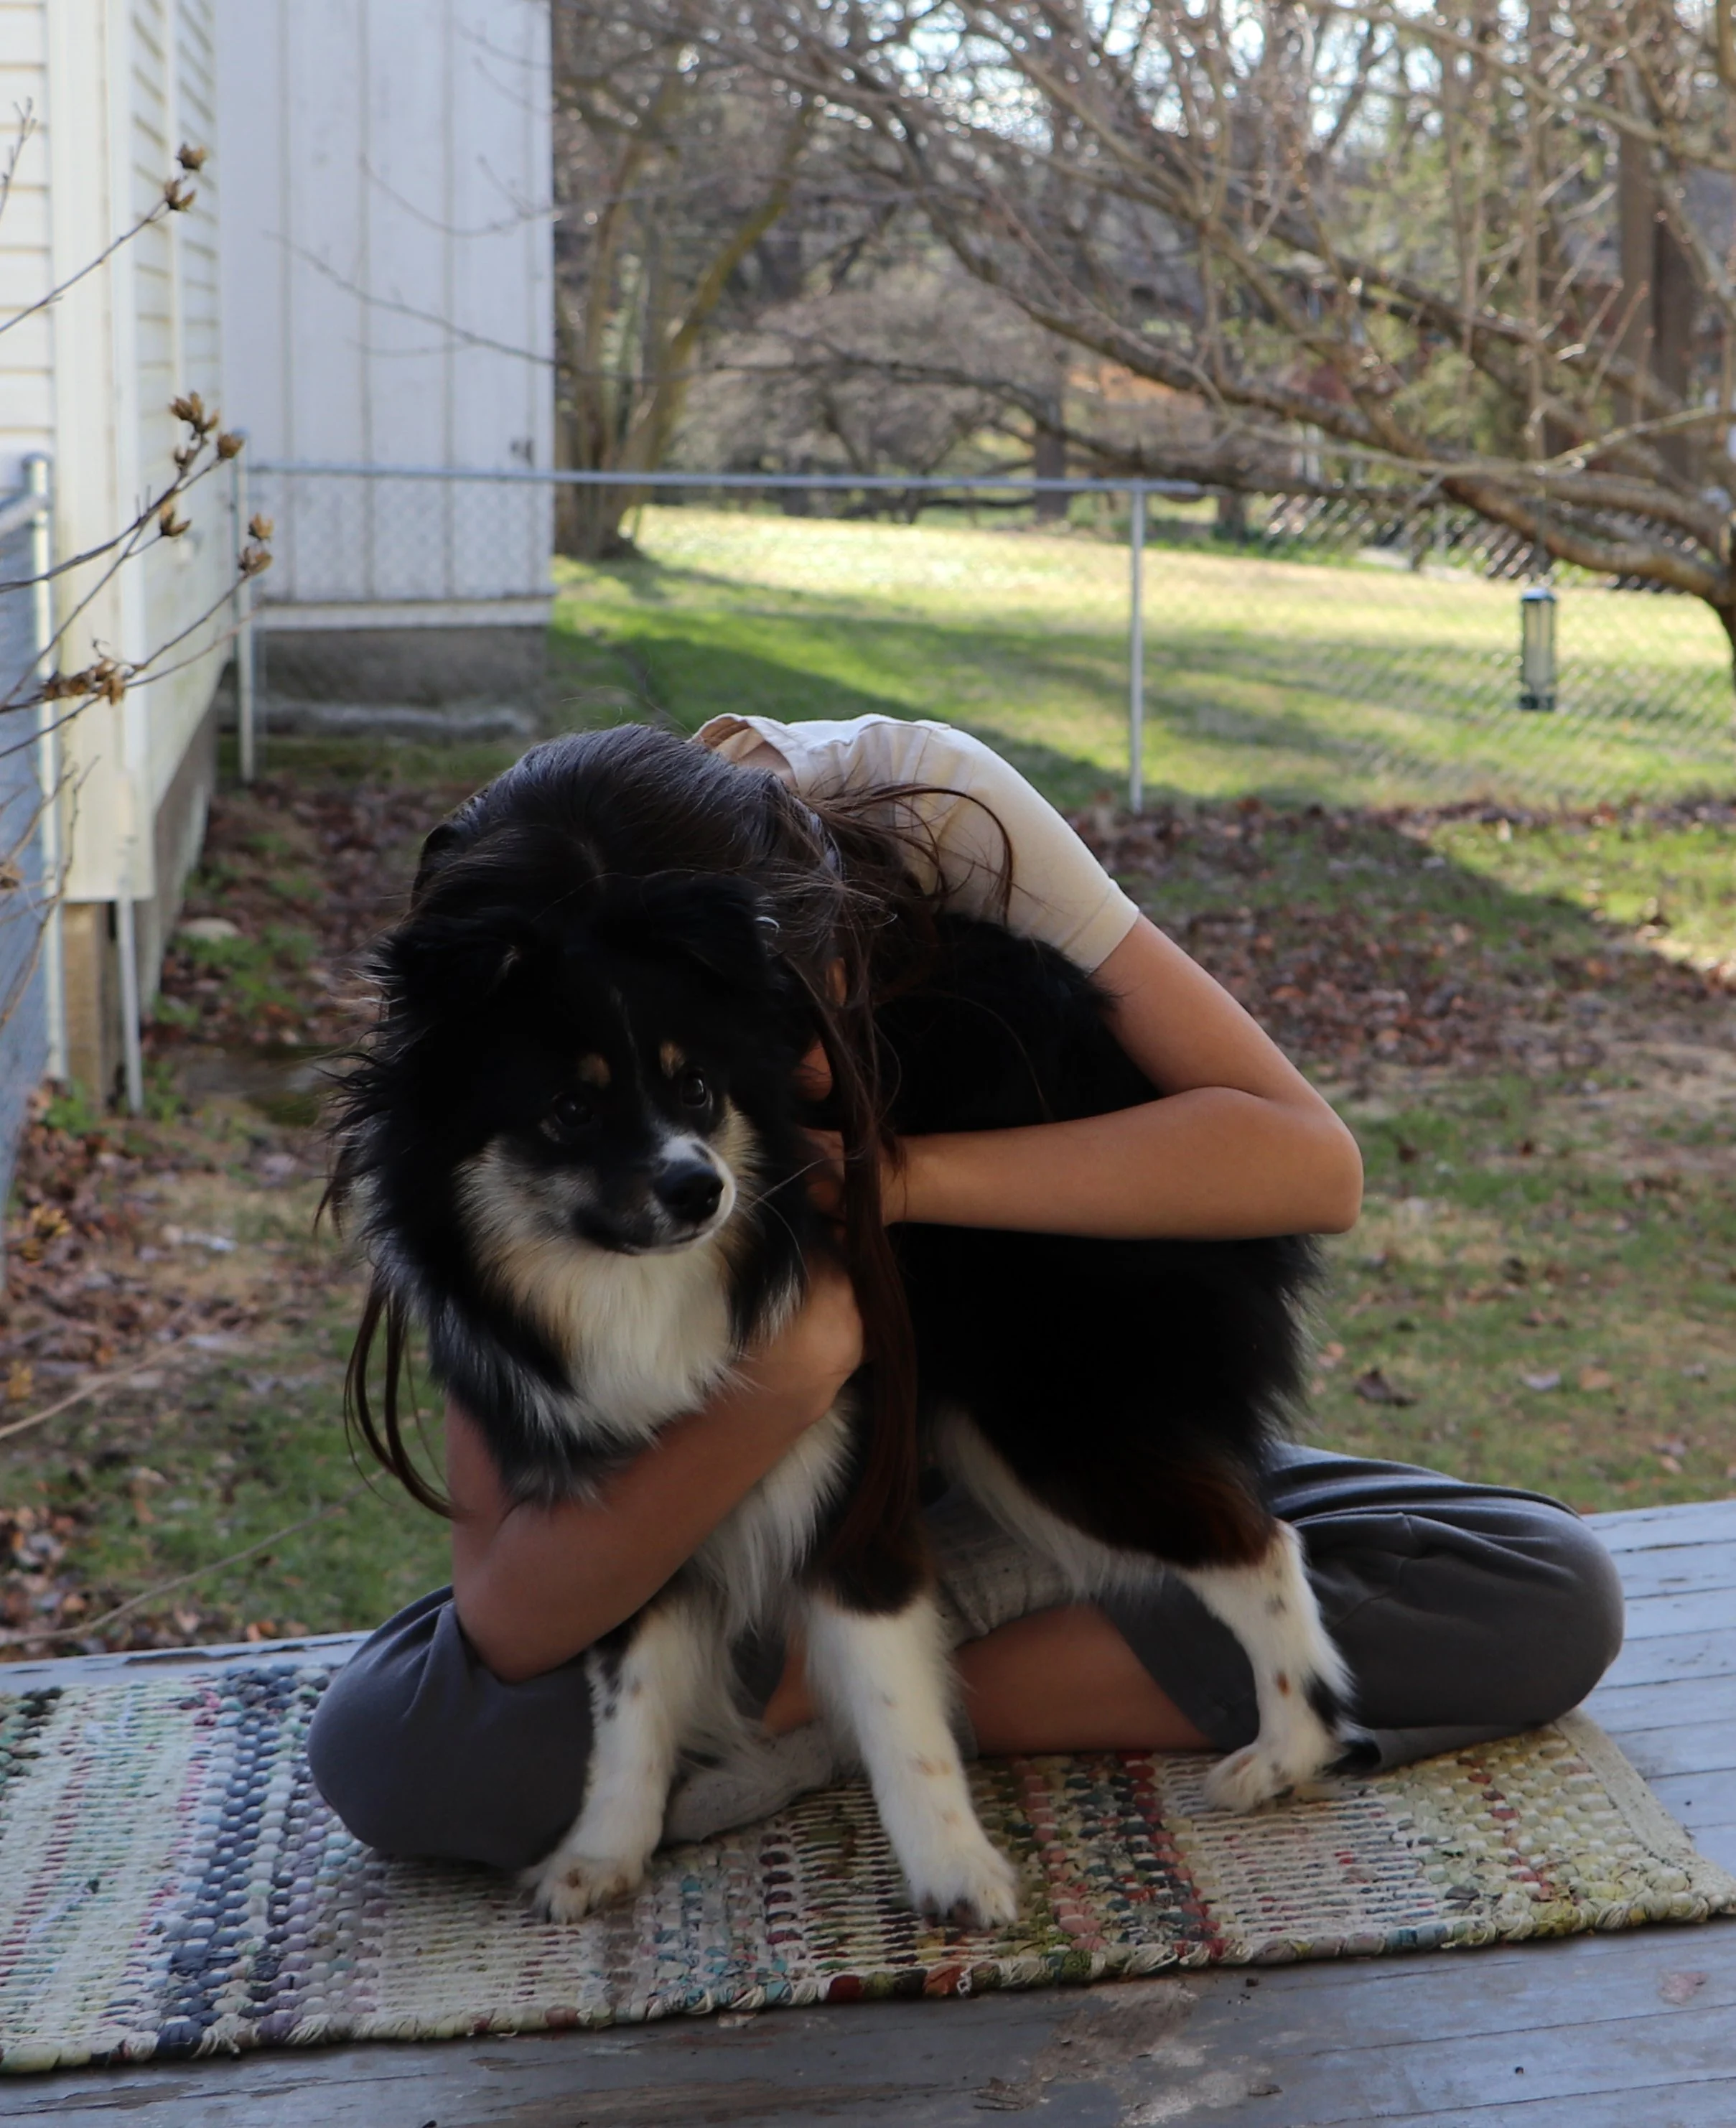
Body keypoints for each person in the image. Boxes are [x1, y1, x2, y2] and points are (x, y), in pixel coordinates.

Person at [307, 713, 1625, 1875]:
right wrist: (785, 1383)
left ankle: (876, 1699)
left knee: (1539, 1589)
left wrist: (903, 1178)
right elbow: (511, 1604)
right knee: (407, 1755)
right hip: (726, 1536)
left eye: (766, 1049)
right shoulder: (497, 1044)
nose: (775, 1101)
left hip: (1030, 1425)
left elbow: (1303, 1161)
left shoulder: (929, 801)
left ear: (821, 909)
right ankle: (882, 1670)